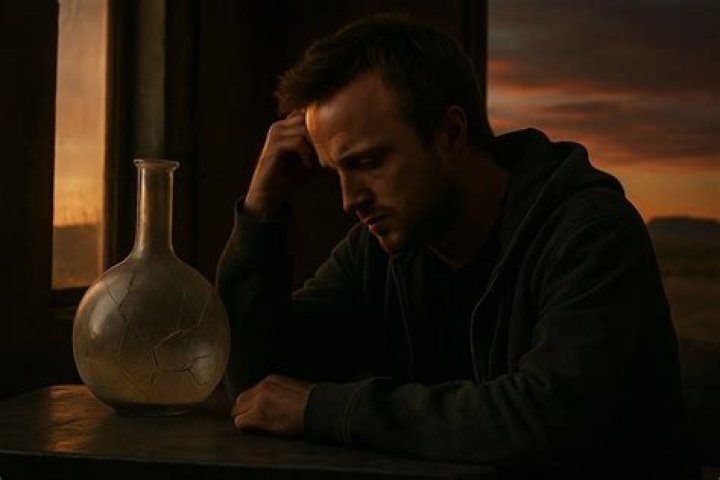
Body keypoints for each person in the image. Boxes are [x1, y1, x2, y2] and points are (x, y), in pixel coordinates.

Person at [216, 15, 693, 479]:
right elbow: (258, 389)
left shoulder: (591, 233)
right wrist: (261, 210)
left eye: (369, 162)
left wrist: (327, 409)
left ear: (450, 134)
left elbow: (547, 421)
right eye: (336, 171)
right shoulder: (379, 251)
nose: (349, 199)